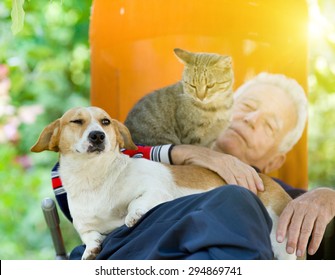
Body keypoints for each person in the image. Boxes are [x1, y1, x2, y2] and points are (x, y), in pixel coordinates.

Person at [51, 72, 335, 259]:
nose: (251, 119)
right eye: (247, 106)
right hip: (131, 250)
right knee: (235, 199)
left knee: (239, 198)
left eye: (269, 125)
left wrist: (328, 196)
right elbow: (62, 178)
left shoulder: (280, 197)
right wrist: (181, 153)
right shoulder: (146, 152)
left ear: (274, 161)